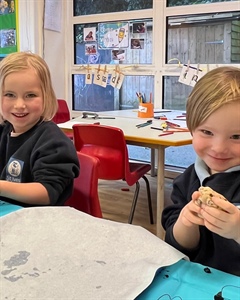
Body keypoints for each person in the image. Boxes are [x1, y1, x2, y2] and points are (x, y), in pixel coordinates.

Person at [161, 66, 240, 276]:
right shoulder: (187, 181)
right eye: (207, 132)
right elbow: (177, 247)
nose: (219, 148)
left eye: (237, 137)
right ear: (191, 129)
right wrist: (186, 222)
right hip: (196, 283)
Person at [0, 51, 80, 207]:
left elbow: (47, 192)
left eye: (30, 95)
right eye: (10, 94)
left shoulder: (52, 141)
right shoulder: (4, 129)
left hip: (38, 221)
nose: (20, 105)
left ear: (46, 96)